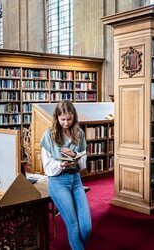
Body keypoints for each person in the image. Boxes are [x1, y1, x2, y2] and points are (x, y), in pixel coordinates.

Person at [40, 100, 91, 250]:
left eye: (69, 119)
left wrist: (75, 155)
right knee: (73, 227)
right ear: (57, 118)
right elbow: (47, 166)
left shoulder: (79, 133)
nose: (66, 123)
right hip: (58, 181)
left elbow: (83, 160)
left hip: (76, 180)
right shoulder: (48, 135)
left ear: (74, 117)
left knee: (86, 227)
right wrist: (61, 164)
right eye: (63, 119)